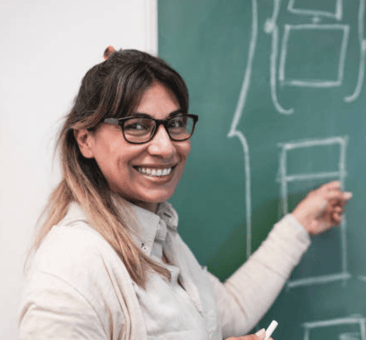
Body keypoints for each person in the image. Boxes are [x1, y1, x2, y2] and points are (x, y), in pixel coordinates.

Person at [19, 47, 352, 340]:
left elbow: (228, 312)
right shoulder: (70, 267)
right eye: (136, 125)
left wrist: (299, 225)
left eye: (175, 123)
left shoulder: (162, 237)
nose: (166, 147)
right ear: (85, 140)